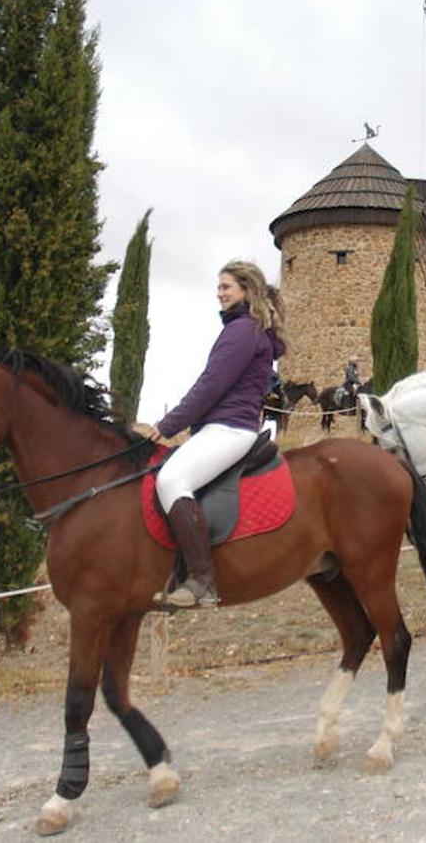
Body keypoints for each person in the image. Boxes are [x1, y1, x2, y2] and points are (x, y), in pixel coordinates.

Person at [141, 260, 286, 608]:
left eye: (226, 287)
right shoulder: (244, 329)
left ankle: (202, 580)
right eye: (218, 287)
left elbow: (211, 386)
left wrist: (166, 427)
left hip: (230, 428)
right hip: (220, 427)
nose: (219, 293)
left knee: (171, 480)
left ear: (247, 290)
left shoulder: (242, 330)